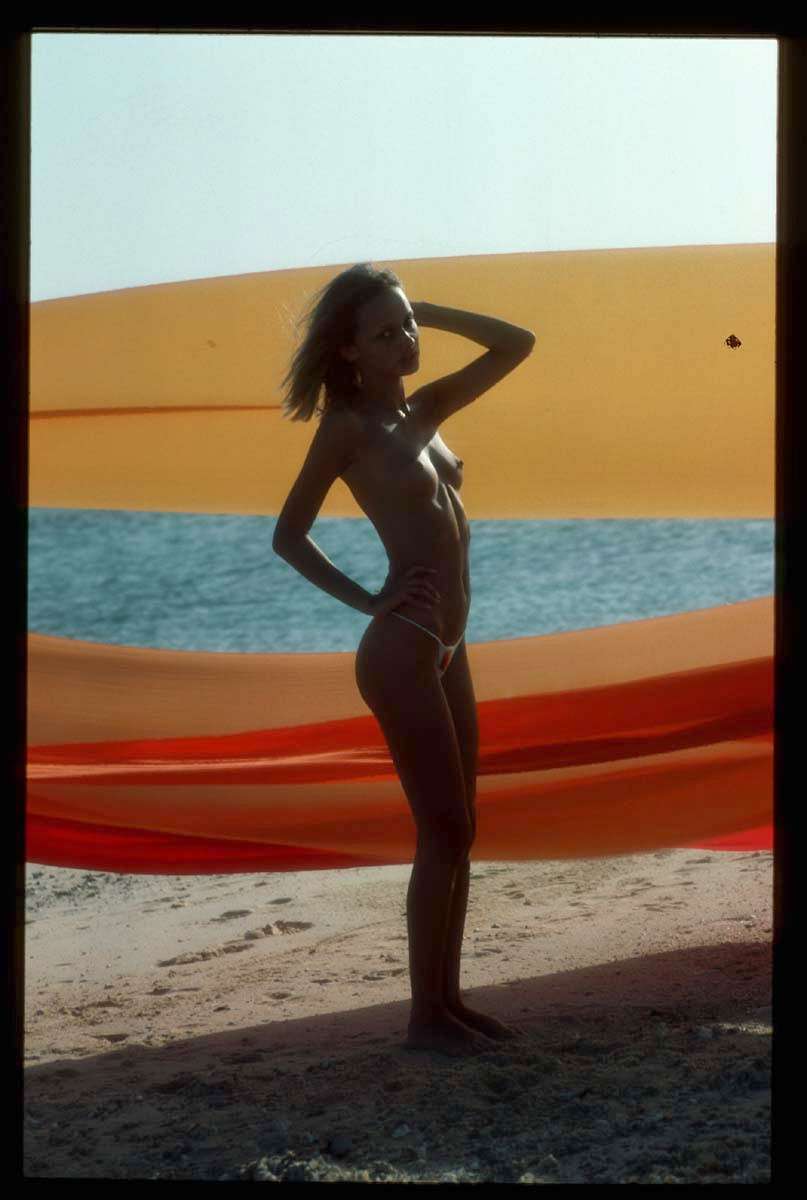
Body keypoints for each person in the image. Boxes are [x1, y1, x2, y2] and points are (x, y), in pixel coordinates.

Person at [273, 263, 535, 1056]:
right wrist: (369, 600)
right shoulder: (346, 427)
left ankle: (448, 1002)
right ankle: (425, 1019)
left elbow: (516, 342)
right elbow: (289, 535)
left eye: (408, 325)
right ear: (349, 351)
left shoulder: (425, 410)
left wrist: (420, 305)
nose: (407, 340)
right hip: (403, 647)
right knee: (442, 827)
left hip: (448, 643)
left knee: (462, 829)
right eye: (385, 333)